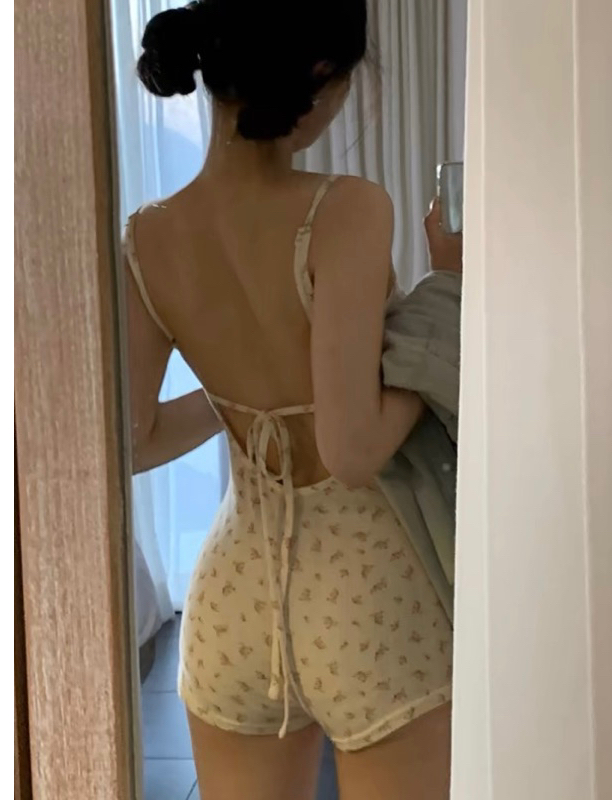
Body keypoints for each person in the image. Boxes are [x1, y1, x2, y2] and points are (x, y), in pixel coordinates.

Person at [125, 1, 462, 798]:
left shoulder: (149, 233)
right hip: (370, 600)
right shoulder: (345, 207)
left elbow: (135, 440)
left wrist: (247, 392)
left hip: (232, 601)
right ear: (319, 76)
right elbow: (352, 451)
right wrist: (446, 290)